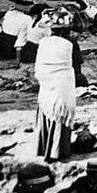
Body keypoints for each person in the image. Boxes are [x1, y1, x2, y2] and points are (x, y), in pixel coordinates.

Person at [33, 12, 78, 162]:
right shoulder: (68, 44)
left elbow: (39, 63)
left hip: (46, 81)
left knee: (47, 109)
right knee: (61, 113)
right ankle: (57, 151)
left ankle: (42, 147)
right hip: (62, 83)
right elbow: (74, 64)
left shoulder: (44, 43)